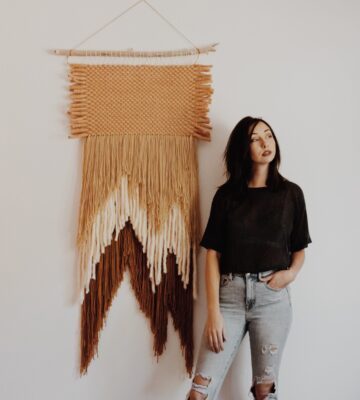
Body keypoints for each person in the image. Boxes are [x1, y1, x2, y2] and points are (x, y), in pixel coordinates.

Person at [186, 116, 312, 400]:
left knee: (264, 391)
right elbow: (212, 255)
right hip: (229, 299)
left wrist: (290, 274)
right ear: (244, 149)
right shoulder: (227, 196)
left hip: (272, 300)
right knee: (199, 391)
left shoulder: (291, 194)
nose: (265, 143)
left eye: (268, 134)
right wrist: (214, 313)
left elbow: (299, 249)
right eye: (255, 139)